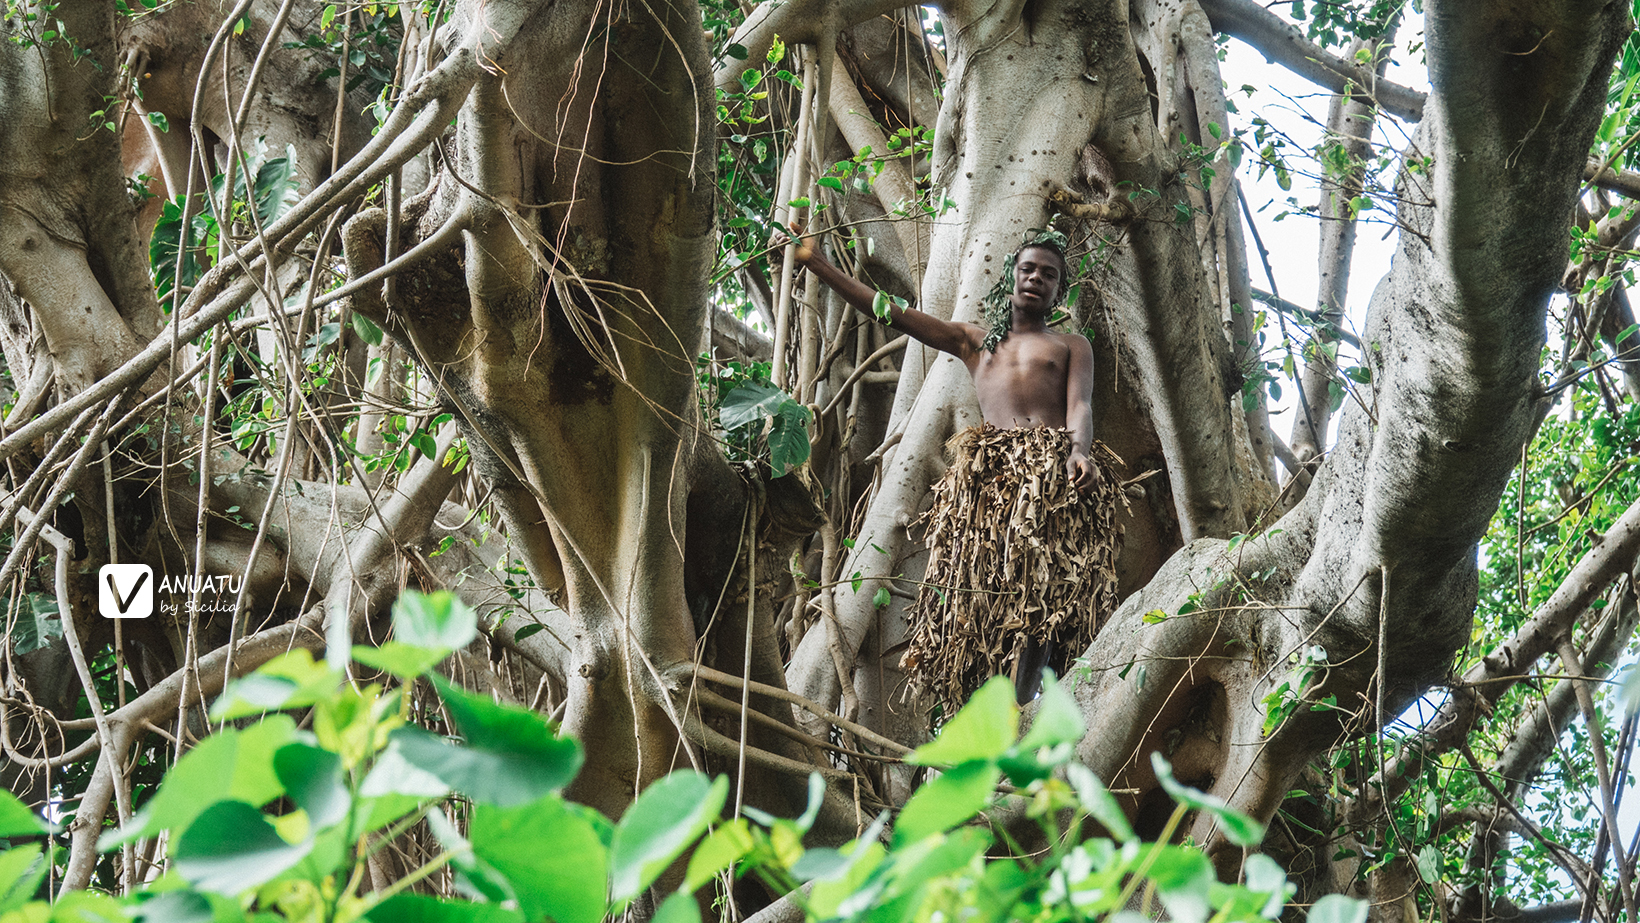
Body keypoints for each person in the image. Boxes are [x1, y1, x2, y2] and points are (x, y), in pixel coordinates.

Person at [772, 225, 1125, 711]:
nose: (1036, 279)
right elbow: (891, 312)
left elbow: (1080, 405)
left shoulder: (1071, 345)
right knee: (986, 597)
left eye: (1048, 274)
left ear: (1058, 289)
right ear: (1011, 277)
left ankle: (1028, 703)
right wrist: (817, 263)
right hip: (991, 483)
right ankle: (980, 710)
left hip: (1050, 478)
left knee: (1043, 594)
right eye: (1028, 269)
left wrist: (1079, 452)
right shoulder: (972, 342)